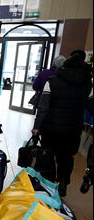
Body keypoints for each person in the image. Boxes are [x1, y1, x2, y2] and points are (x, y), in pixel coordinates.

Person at [32, 53, 92, 197]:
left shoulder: (52, 81)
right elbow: (91, 107)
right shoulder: (87, 84)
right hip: (73, 129)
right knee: (66, 157)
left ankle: (49, 182)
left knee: (49, 154)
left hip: (51, 128)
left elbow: (43, 107)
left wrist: (37, 126)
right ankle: (63, 181)